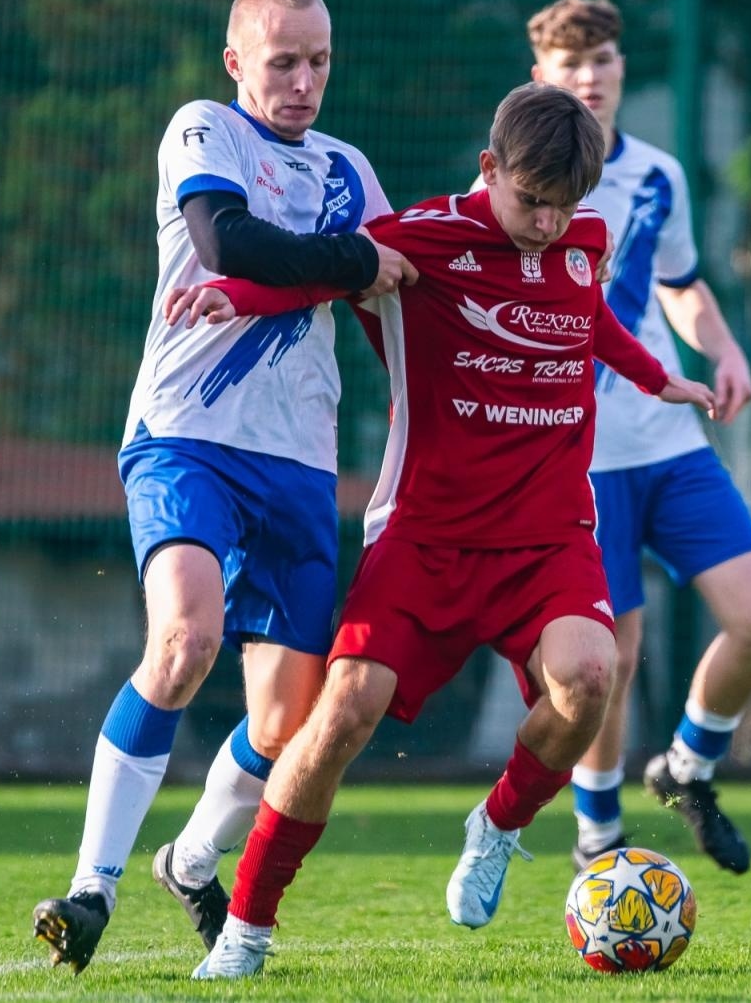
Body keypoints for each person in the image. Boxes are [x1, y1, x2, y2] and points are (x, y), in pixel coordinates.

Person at [168, 82, 717, 980]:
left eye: (563, 205)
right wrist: (233, 292)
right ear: (488, 167)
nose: (546, 222)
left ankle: (498, 825)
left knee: (591, 675)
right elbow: (320, 271)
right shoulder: (422, 239)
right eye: (529, 199)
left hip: (547, 534)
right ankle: (247, 927)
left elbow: (591, 323)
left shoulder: (583, 239)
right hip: (424, 536)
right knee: (343, 709)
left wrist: (660, 378)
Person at [31, 0, 418, 975]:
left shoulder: (347, 169)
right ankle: (90, 888)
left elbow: (404, 297)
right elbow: (226, 240)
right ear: (236, 62)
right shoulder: (207, 130)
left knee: (286, 722)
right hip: (185, 436)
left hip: (298, 458)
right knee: (185, 634)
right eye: (281, 61)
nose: (301, 81)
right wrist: (354, 260)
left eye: (318, 61)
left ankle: (190, 858)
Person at [520, 0, 751, 875]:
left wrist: (724, 347)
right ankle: (599, 830)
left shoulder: (660, 174)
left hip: (670, 444)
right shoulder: (521, 187)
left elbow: (682, 282)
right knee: (616, 655)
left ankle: (687, 765)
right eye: (570, 67)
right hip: (578, 464)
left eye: (602, 62)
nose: (589, 78)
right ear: (541, 81)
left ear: (623, 70)